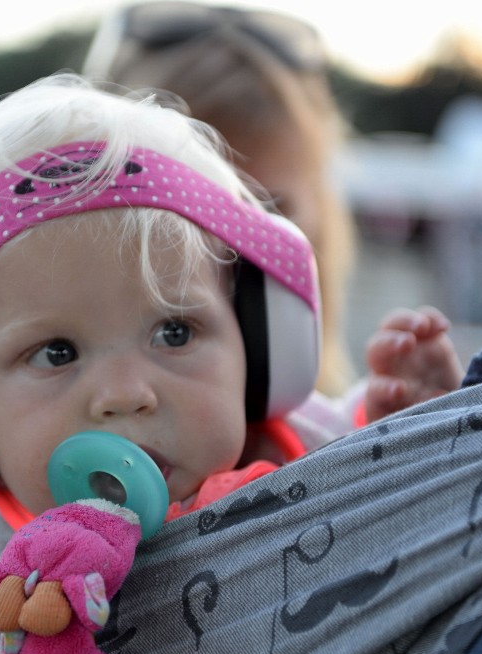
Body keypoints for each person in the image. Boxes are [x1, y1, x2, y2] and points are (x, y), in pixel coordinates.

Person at [0, 71, 462, 654]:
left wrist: (409, 426)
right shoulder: (1, 613)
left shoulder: (309, 437)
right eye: (56, 352)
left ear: (258, 335)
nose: (125, 395)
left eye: (175, 332)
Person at [83, 1, 358, 397]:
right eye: (180, 216)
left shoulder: (353, 417)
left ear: (321, 211)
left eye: (269, 210)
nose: (229, 258)